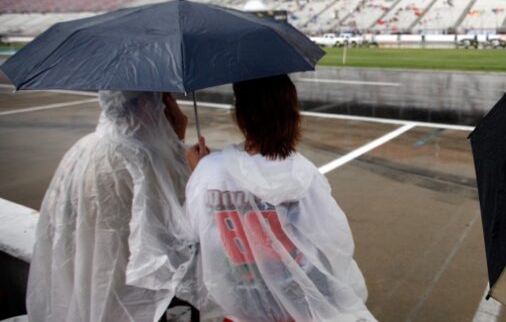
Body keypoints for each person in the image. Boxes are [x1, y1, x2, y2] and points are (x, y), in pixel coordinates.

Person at [185, 75, 375, 322]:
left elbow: (194, 236)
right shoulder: (303, 174)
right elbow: (331, 245)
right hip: (296, 308)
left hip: (241, 309)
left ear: (239, 115)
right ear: (291, 114)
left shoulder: (209, 170)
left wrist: (199, 173)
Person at [27, 91, 199, 322]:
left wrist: (172, 141)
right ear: (154, 104)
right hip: (138, 304)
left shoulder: (81, 149)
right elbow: (184, 231)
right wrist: (184, 154)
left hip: (92, 293)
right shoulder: (145, 158)